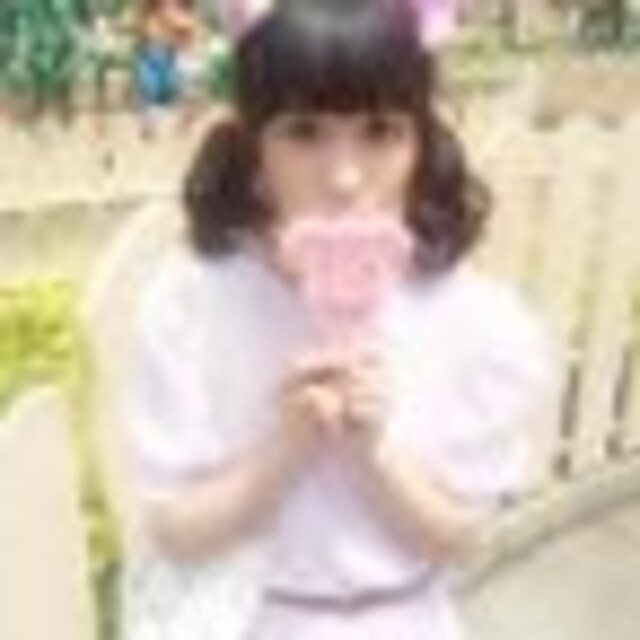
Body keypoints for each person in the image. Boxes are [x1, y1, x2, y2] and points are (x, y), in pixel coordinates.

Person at [119, 1, 565, 638]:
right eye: (304, 132)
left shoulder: (476, 320)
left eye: (381, 131)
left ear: (421, 142)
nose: (346, 177)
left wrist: (371, 451)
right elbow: (174, 531)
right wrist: (290, 444)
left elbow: (461, 538)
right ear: (253, 147)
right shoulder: (192, 303)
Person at [133, 0, 202, 137]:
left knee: (180, 92)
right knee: (150, 90)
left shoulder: (178, 16)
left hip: (172, 56)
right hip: (154, 56)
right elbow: (143, 34)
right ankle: (150, 125)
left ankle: (180, 123)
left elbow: (186, 31)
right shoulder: (151, 16)